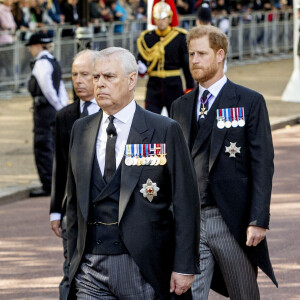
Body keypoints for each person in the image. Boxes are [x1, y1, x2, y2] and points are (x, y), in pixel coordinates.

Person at [66, 47, 200, 299]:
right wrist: (70, 265)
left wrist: (184, 265)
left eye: (109, 77)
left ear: (131, 80)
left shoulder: (163, 129)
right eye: (96, 78)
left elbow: (185, 202)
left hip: (142, 266)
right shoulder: (80, 129)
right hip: (90, 268)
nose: (100, 84)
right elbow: (73, 204)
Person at [170, 26, 278, 299]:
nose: (194, 60)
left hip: (231, 220)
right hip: (190, 221)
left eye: (201, 54)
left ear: (220, 55)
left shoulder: (249, 101)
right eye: (191, 53)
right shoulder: (179, 106)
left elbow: (262, 164)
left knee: (244, 293)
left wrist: (258, 219)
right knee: (188, 295)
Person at [49, 49, 99, 300]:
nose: (78, 80)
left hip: (104, 209)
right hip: (73, 210)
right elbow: (60, 165)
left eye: (85, 75)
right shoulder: (64, 116)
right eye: (74, 75)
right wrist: (55, 210)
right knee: (71, 269)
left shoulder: (111, 112)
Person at [26, 32, 68, 197]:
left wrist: (57, 105)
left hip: (45, 110)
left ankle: (48, 184)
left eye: (31, 47)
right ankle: (53, 182)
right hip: (52, 109)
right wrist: (61, 106)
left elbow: (48, 88)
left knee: (43, 145)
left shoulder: (41, 63)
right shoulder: (53, 61)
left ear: (37, 46)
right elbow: (61, 87)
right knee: (51, 145)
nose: (30, 50)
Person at [137, 0, 194, 115]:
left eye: (163, 18)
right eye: (158, 18)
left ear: (169, 18)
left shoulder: (179, 37)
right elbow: (141, 60)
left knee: (177, 121)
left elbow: (186, 65)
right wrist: (140, 66)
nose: (160, 22)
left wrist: (190, 87)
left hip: (174, 86)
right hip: (154, 87)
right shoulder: (148, 38)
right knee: (150, 121)